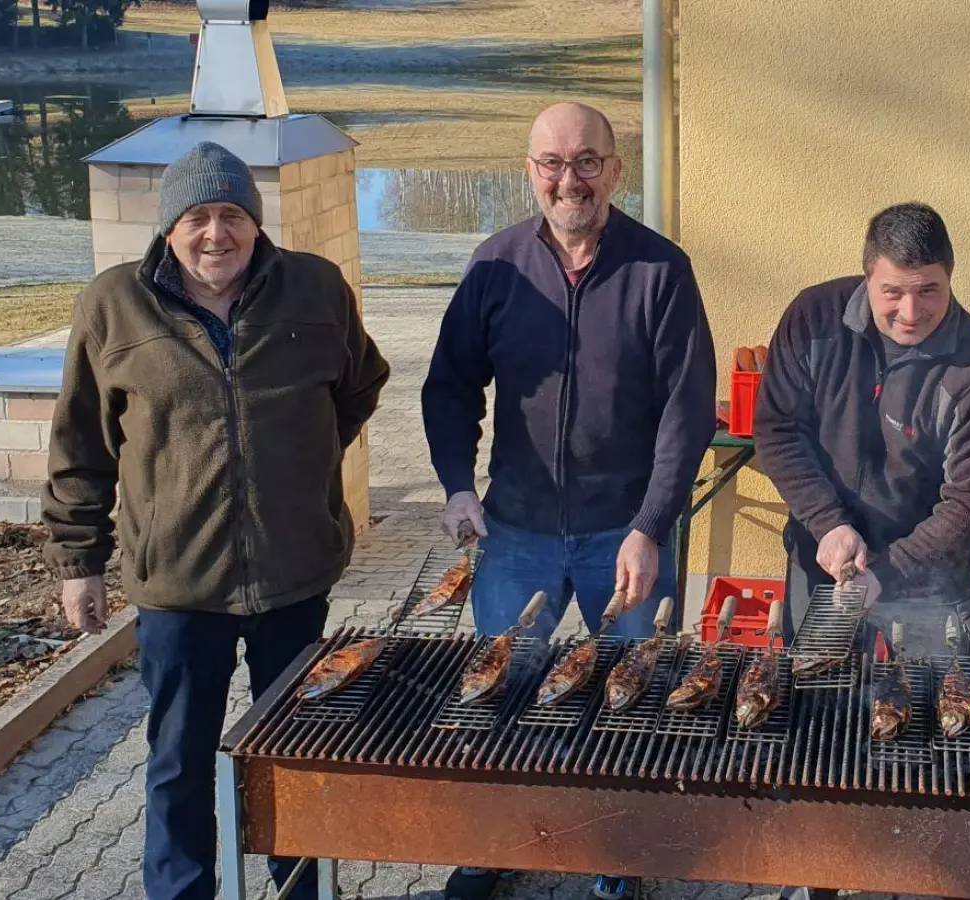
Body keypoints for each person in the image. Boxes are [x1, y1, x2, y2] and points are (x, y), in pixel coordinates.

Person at [40, 140, 390, 900]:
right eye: (196, 217)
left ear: (256, 225)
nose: (215, 234)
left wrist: (304, 463)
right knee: (177, 761)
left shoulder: (314, 288)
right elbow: (80, 445)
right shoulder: (113, 305)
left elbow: (359, 384)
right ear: (168, 229)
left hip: (294, 574)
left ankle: (301, 887)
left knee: (294, 754)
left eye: (232, 215)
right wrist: (80, 562)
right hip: (176, 584)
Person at [421, 102, 715, 900]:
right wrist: (456, 483)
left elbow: (687, 414)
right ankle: (494, 844)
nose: (569, 178)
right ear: (529, 172)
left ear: (615, 171)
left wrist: (652, 524)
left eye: (587, 161)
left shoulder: (660, 271)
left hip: (624, 533)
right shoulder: (496, 267)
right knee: (500, 689)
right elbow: (449, 386)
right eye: (551, 162)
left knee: (625, 693)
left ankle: (616, 852)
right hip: (516, 531)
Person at [755, 201, 970, 664]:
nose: (911, 312)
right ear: (867, 277)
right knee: (818, 702)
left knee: (927, 711)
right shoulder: (813, 318)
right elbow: (779, 429)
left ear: (950, 279)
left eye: (929, 291)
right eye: (892, 292)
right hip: (824, 556)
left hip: (927, 575)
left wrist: (888, 570)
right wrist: (828, 523)